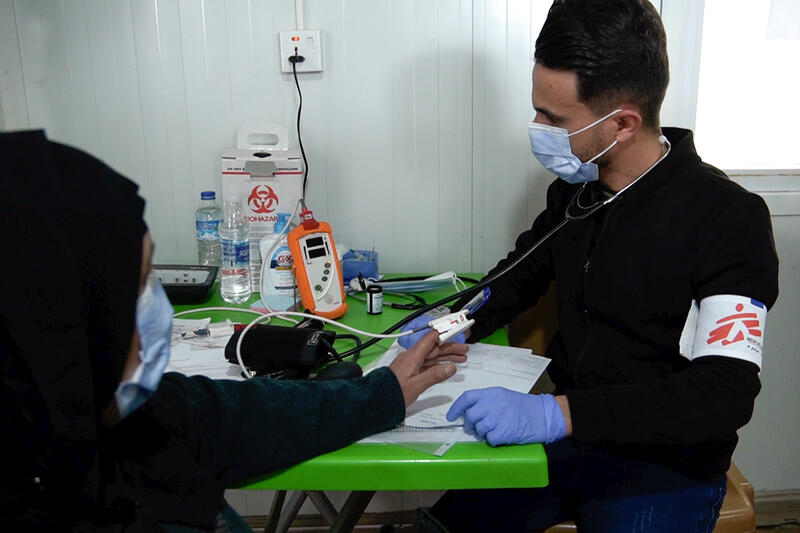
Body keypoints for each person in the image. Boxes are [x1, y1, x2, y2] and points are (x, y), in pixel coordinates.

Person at [404, 1, 780, 531]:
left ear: (622, 122)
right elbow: (518, 277)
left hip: (663, 465)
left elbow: (723, 394)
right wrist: (451, 322)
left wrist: (554, 414)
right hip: (566, 439)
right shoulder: (576, 194)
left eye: (553, 118)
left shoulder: (727, 218)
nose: (536, 127)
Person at [0, 129, 469, 531]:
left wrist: (383, 392)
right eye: (142, 282)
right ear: (61, 319)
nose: (158, 305)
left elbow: (245, 414)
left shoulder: (130, 416)